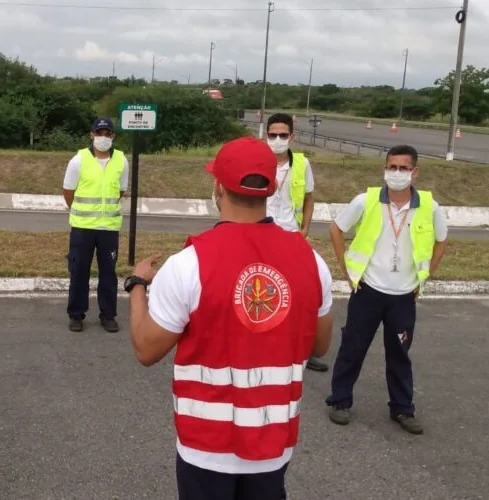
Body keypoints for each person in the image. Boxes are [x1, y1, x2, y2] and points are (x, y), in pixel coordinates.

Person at [125, 137, 334, 499]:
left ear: (217, 187)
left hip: (206, 444)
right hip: (274, 441)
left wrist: (137, 286)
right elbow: (319, 344)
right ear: (274, 187)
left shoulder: (188, 264)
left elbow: (146, 348)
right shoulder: (311, 262)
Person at [324, 144, 448, 435]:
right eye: (391, 167)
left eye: (403, 168)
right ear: (384, 169)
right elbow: (335, 230)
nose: (396, 173)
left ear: (414, 172)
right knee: (352, 348)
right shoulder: (366, 200)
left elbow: (441, 241)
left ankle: (402, 409)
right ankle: (340, 401)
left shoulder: (429, 206)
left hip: (403, 296)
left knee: (399, 354)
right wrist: (348, 270)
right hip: (368, 291)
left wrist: (425, 276)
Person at [264, 112, 327, 373]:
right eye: (272, 135)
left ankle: (305, 349)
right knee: (264, 292)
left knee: (299, 293)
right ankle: (266, 345)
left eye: (282, 135)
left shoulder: (302, 164)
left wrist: (305, 229)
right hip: (263, 233)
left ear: (292, 136)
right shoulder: (258, 160)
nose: (277, 140)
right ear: (265, 135)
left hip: (291, 235)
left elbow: (309, 198)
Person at [62, 116, 129, 333]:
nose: (103, 137)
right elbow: (68, 191)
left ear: (113, 136)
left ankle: (108, 315)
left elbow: (120, 191)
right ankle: (76, 315)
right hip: (83, 226)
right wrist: (82, 211)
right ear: (91, 135)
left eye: (107, 133)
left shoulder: (121, 160)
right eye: (99, 133)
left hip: (108, 228)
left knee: (108, 274)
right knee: (79, 272)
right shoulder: (78, 160)